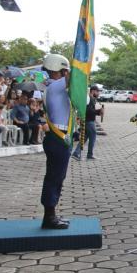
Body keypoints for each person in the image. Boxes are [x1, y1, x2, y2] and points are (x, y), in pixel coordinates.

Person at [40, 53, 75, 229]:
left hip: (57, 137)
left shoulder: (51, 86)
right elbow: (78, 77)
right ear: (61, 70)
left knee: (56, 176)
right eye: (65, 70)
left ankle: (51, 214)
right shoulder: (57, 86)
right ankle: (49, 217)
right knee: (55, 177)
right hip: (58, 136)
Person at [72, 86, 103, 160]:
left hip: (87, 120)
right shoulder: (90, 99)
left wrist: (98, 112)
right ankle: (90, 154)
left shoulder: (91, 98)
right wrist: (98, 111)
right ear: (93, 91)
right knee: (93, 136)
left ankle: (76, 153)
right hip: (89, 121)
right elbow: (88, 111)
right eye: (97, 91)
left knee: (85, 137)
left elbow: (90, 110)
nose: (98, 93)